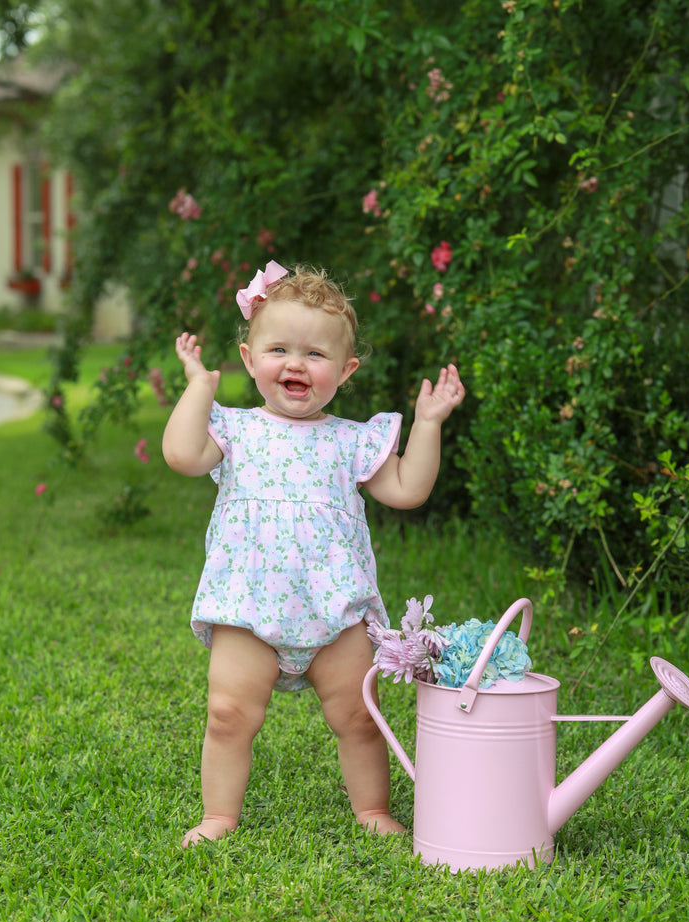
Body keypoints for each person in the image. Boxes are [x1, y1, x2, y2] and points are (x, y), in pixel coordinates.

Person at [163, 262, 465, 847]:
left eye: (315, 354)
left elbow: (407, 491)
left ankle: (372, 809)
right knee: (229, 716)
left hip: (337, 610)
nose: (296, 363)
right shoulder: (236, 430)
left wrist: (427, 424)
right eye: (278, 348)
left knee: (358, 717)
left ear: (345, 371)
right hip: (246, 608)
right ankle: (219, 815)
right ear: (249, 360)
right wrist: (200, 387)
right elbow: (180, 454)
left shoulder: (351, 439)